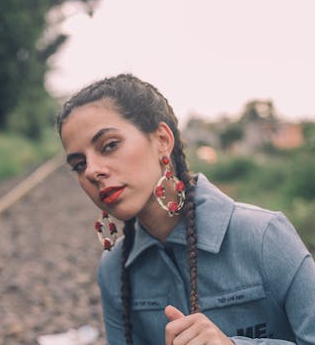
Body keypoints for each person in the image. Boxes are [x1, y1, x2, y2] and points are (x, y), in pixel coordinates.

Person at [56, 73, 315, 344]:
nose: (93, 171)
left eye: (109, 145)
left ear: (162, 140)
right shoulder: (114, 269)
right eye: (79, 164)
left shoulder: (264, 236)